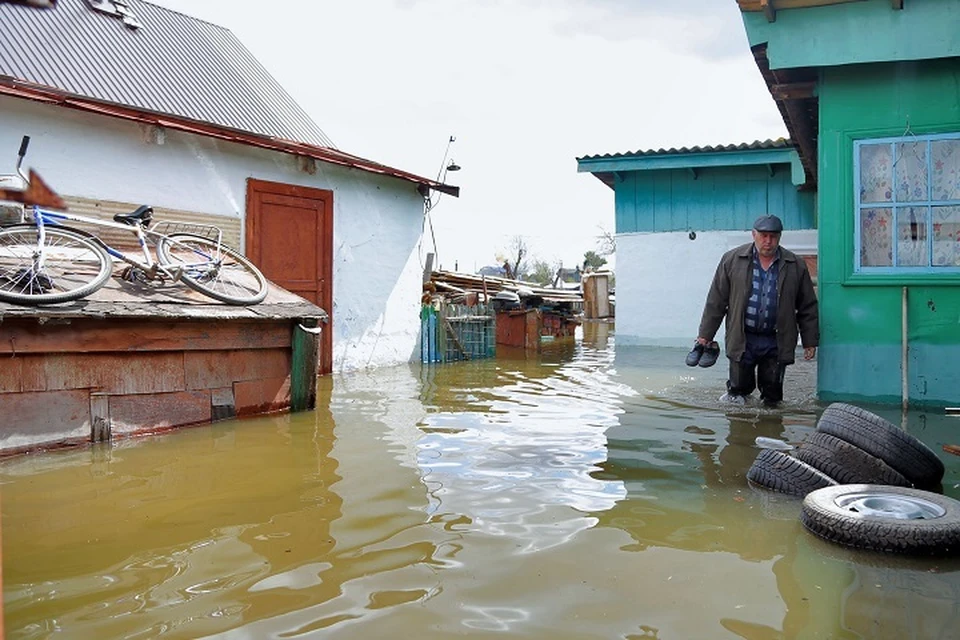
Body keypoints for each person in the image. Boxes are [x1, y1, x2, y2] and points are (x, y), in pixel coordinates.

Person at [694, 214, 819, 405]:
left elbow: (807, 306)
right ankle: (739, 433)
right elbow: (716, 300)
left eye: (773, 236)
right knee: (737, 392)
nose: (768, 241)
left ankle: (771, 430)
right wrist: (705, 335)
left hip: (776, 340)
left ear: (780, 236)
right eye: (763, 236)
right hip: (743, 337)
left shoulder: (795, 265)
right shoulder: (732, 260)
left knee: (772, 397)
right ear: (754, 235)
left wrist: (810, 341)